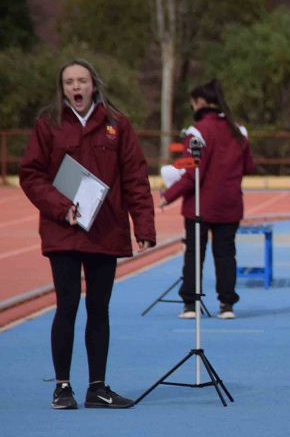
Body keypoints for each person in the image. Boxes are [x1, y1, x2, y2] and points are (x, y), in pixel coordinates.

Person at [19, 58, 156, 409]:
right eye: (69, 82)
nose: (76, 88)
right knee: (67, 305)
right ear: (62, 88)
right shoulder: (48, 124)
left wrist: (144, 226)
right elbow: (31, 174)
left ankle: (98, 387)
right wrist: (60, 206)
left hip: (105, 230)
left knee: (99, 309)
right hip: (62, 230)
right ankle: (62, 387)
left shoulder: (116, 124)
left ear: (93, 85)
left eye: (81, 81)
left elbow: (135, 177)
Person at [161, 79, 254, 320]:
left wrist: (167, 196)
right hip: (230, 204)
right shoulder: (239, 130)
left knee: (194, 254)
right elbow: (249, 167)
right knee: (226, 254)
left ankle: (190, 304)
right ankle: (227, 304)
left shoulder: (197, 131)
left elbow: (193, 172)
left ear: (200, 102)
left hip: (200, 205)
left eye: (193, 103)